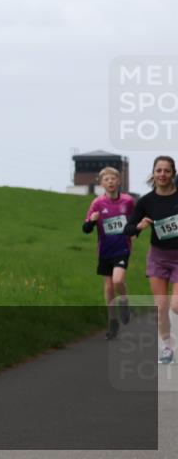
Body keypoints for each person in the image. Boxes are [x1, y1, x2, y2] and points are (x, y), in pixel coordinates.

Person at [125, 155, 178, 364]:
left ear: (173, 173)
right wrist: (138, 226)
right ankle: (167, 346)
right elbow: (127, 228)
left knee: (176, 306)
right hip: (158, 257)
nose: (162, 174)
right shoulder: (146, 201)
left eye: (166, 170)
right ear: (153, 173)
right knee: (162, 306)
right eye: (159, 170)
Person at [81, 167, 135, 339]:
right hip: (105, 250)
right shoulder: (97, 203)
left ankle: (125, 303)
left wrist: (134, 231)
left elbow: (135, 219)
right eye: (106, 179)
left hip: (122, 248)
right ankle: (112, 323)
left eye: (113, 178)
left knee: (118, 280)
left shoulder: (128, 201)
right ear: (101, 183)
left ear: (119, 181)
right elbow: (86, 229)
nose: (110, 182)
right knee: (108, 287)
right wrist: (92, 221)